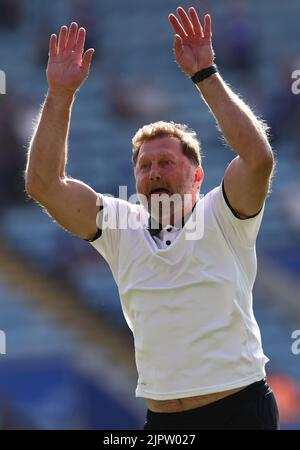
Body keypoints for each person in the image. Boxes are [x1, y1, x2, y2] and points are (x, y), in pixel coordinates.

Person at [25, 6, 279, 430]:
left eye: (166, 162)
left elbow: (258, 158)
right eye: (144, 166)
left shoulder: (223, 213)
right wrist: (60, 95)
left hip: (238, 411)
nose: (154, 172)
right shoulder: (120, 227)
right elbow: (43, 185)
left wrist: (205, 74)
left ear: (197, 175)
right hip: (161, 422)